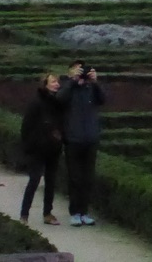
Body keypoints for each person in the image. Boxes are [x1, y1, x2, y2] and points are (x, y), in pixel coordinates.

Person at [55, 60, 105, 227]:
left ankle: (84, 212)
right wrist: (72, 82)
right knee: (75, 178)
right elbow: (59, 99)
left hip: (90, 139)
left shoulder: (91, 88)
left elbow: (103, 99)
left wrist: (95, 82)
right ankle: (75, 212)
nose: (80, 72)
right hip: (73, 139)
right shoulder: (69, 88)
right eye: (77, 70)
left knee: (88, 178)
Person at [19, 72, 65, 225]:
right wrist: (29, 146)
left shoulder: (57, 102)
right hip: (38, 149)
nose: (56, 84)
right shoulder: (36, 102)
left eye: (57, 82)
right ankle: (24, 214)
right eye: (53, 81)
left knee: (51, 181)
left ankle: (47, 213)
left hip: (53, 148)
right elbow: (26, 127)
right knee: (34, 180)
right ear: (45, 84)